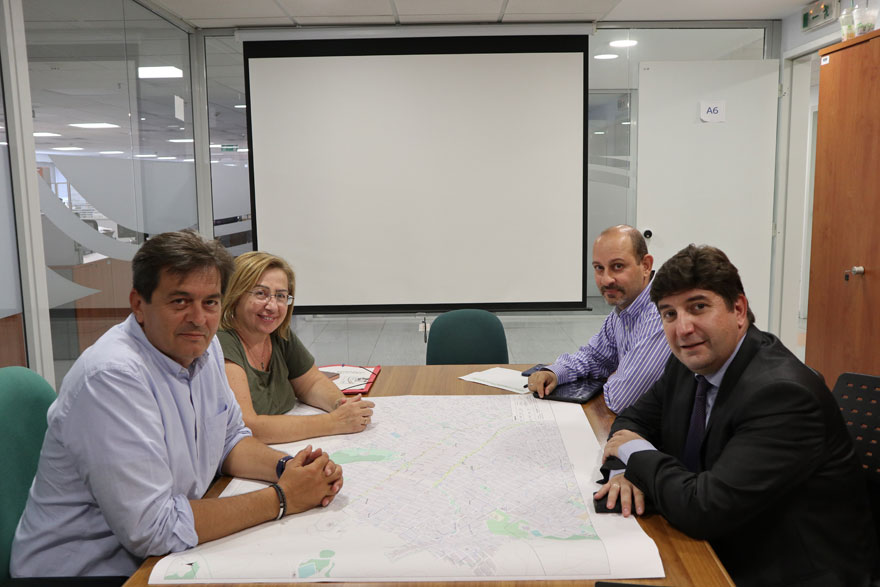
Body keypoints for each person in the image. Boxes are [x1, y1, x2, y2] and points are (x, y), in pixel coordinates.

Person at [11, 231, 343, 579]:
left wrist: (289, 468)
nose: (198, 318)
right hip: (89, 572)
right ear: (139, 304)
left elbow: (230, 439)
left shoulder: (204, 348)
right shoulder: (112, 377)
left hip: (167, 555)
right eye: (180, 301)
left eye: (210, 302)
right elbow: (154, 529)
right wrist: (283, 497)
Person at [596, 244, 878, 587]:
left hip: (784, 571)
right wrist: (626, 474)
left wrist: (636, 456)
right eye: (669, 314)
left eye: (698, 307)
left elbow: (704, 509)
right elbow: (632, 421)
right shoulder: (687, 363)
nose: (683, 328)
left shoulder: (783, 395)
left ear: (739, 309)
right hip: (722, 539)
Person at [217, 251, 375, 444]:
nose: (272, 306)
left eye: (281, 296)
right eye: (260, 293)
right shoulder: (222, 343)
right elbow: (248, 427)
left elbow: (310, 383)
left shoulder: (278, 334)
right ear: (236, 294)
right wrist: (334, 422)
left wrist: (340, 405)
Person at [526, 225, 670, 413]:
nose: (606, 279)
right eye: (599, 268)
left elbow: (623, 399)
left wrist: (613, 378)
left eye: (618, 266)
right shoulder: (622, 311)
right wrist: (555, 372)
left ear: (646, 266)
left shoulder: (661, 315)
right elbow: (594, 357)